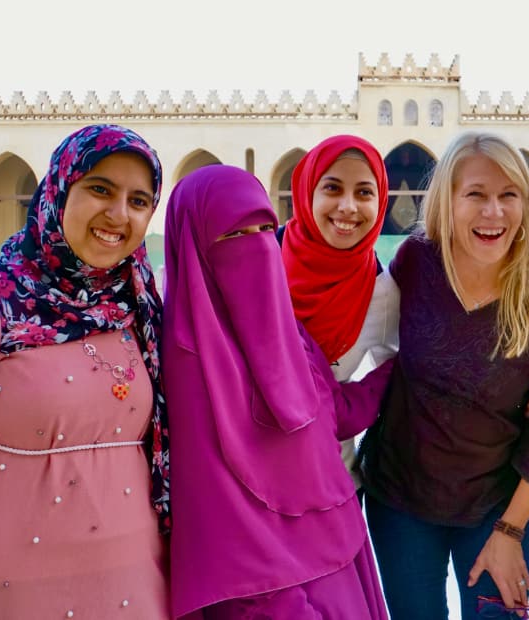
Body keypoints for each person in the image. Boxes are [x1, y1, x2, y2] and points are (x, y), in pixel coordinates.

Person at [0, 124, 170, 619]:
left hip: (139, 592)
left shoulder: (142, 311)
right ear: (59, 189)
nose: (118, 214)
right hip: (9, 595)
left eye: (139, 200)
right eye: (100, 189)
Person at [359, 131, 529, 619]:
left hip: (495, 505)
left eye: (509, 195)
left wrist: (509, 531)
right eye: (476, 195)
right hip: (400, 498)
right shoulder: (418, 261)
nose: (494, 212)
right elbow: (362, 337)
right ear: (448, 200)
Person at [162, 165, 393, 619]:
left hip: (337, 558)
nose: (257, 247)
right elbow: (218, 517)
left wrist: (408, 369)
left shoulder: (288, 331)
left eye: (266, 229)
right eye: (234, 235)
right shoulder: (187, 362)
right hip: (268, 594)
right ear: (194, 247)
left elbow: (334, 414)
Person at [280, 135, 399, 495]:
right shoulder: (258, 264)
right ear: (306, 192)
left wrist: (343, 410)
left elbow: (395, 374)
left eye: (364, 192)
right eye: (332, 188)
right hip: (251, 484)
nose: (348, 207)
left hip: (332, 484)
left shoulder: (383, 291)